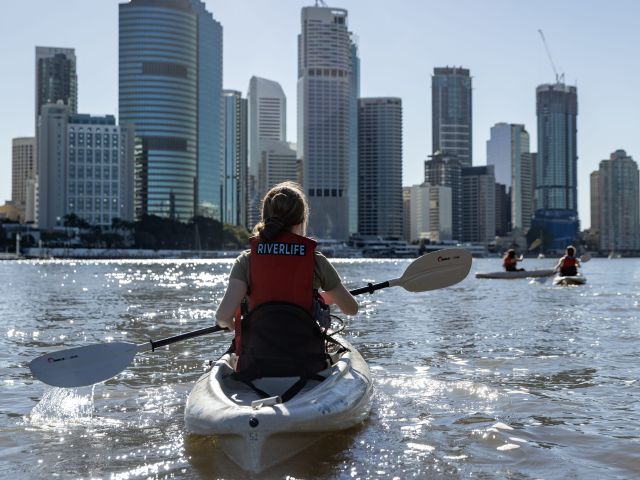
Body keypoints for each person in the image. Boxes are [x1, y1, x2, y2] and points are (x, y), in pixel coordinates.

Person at [215, 181, 358, 380]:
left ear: (265, 217)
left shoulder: (246, 260)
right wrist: (322, 298)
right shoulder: (315, 260)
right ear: (301, 220)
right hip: (306, 363)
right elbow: (351, 308)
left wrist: (233, 325)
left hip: (257, 363)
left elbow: (222, 316)